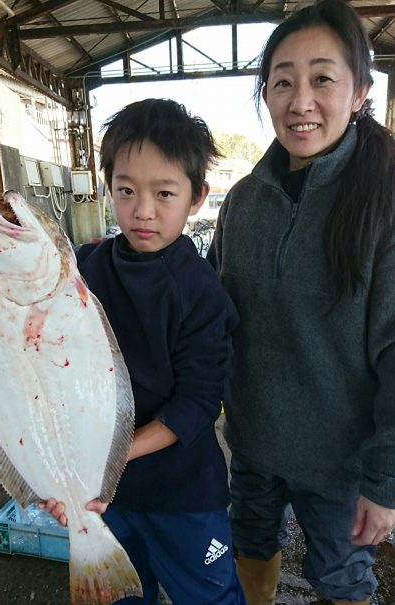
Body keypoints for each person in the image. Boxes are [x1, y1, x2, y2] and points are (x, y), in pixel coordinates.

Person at [207, 1, 395, 604]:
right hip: (254, 441)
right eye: (282, 82)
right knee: (250, 548)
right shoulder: (242, 203)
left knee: (342, 578)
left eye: (322, 78)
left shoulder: (384, 202)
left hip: (342, 462)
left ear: (360, 90)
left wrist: (385, 481)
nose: (300, 101)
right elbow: (209, 316)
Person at [43, 98, 246, 605]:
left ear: (197, 197)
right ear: (108, 186)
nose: (143, 210)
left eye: (164, 193)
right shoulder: (85, 269)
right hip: (105, 500)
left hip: (184, 497)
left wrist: (110, 458)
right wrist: (58, 473)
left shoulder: (201, 292)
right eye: (127, 190)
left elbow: (198, 404)